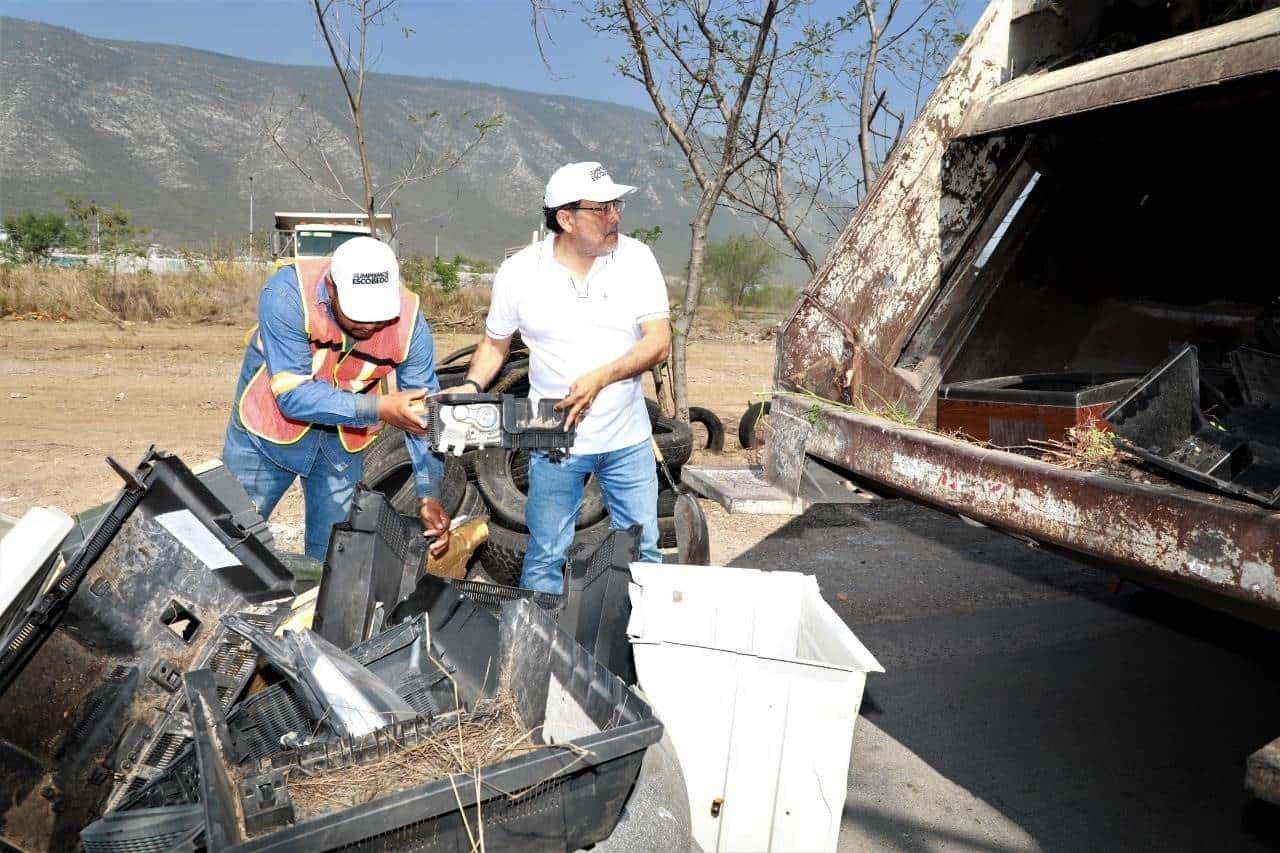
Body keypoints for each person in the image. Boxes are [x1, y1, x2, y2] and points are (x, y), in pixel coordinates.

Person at [463, 161, 671, 592]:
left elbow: (658, 342)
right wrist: (470, 388)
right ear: (565, 218)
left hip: (627, 436)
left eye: (616, 206)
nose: (615, 217)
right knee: (545, 553)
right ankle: (541, 650)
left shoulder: (636, 259)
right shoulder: (519, 272)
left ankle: (636, 647)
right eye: (602, 209)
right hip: (550, 432)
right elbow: (494, 345)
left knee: (645, 549)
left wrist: (602, 377)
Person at [222, 236, 451, 561]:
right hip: (266, 435)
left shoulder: (411, 323)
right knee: (227, 539)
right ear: (331, 287)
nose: (371, 326)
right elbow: (294, 396)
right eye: (359, 314)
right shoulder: (286, 294)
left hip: (341, 445)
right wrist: (380, 408)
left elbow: (424, 415)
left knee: (334, 558)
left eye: (380, 315)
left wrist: (428, 492)